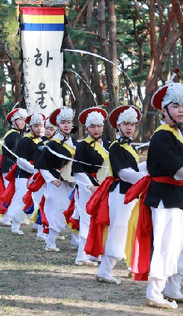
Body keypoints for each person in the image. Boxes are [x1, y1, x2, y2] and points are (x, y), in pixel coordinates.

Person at [127, 81, 183, 310]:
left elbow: (175, 163)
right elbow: (176, 170)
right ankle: (154, 292)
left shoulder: (175, 134)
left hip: (176, 198)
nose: (182, 110)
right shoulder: (162, 135)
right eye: (175, 106)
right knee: (167, 245)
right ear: (164, 110)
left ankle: (172, 289)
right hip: (165, 198)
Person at [90, 105, 147, 284]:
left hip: (130, 192)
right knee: (119, 229)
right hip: (121, 193)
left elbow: (135, 169)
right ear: (118, 126)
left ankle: (131, 266)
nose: (130, 127)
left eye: (132, 124)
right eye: (126, 124)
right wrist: (147, 177)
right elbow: (123, 173)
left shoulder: (130, 147)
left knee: (130, 228)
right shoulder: (116, 146)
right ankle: (105, 270)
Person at [34, 106, 77, 252]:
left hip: (72, 183)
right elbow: (42, 165)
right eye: (63, 122)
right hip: (56, 183)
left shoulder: (75, 143)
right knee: (57, 211)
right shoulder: (52, 144)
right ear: (58, 125)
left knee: (75, 211)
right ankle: (50, 242)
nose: (66, 125)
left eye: (69, 122)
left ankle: (76, 241)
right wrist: (51, 180)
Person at [72, 106, 110, 267]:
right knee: (86, 219)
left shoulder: (108, 144)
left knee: (102, 219)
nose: (96, 129)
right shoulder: (82, 146)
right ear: (87, 128)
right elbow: (77, 170)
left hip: (105, 186)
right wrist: (90, 186)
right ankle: (82, 255)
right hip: (88, 187)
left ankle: (96, 252)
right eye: (93, 126)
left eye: (99, 126)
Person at [0, 108, 27, 227]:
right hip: (10, 165)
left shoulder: (13, 133)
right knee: (13, 192)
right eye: (20, 120)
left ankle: (16, 217)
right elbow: (17, 154)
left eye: (24, 120)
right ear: (13, 122)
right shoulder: (15, 135)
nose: (23, 122)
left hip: (8, 164)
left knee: (15, 192)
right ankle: (8, 218)